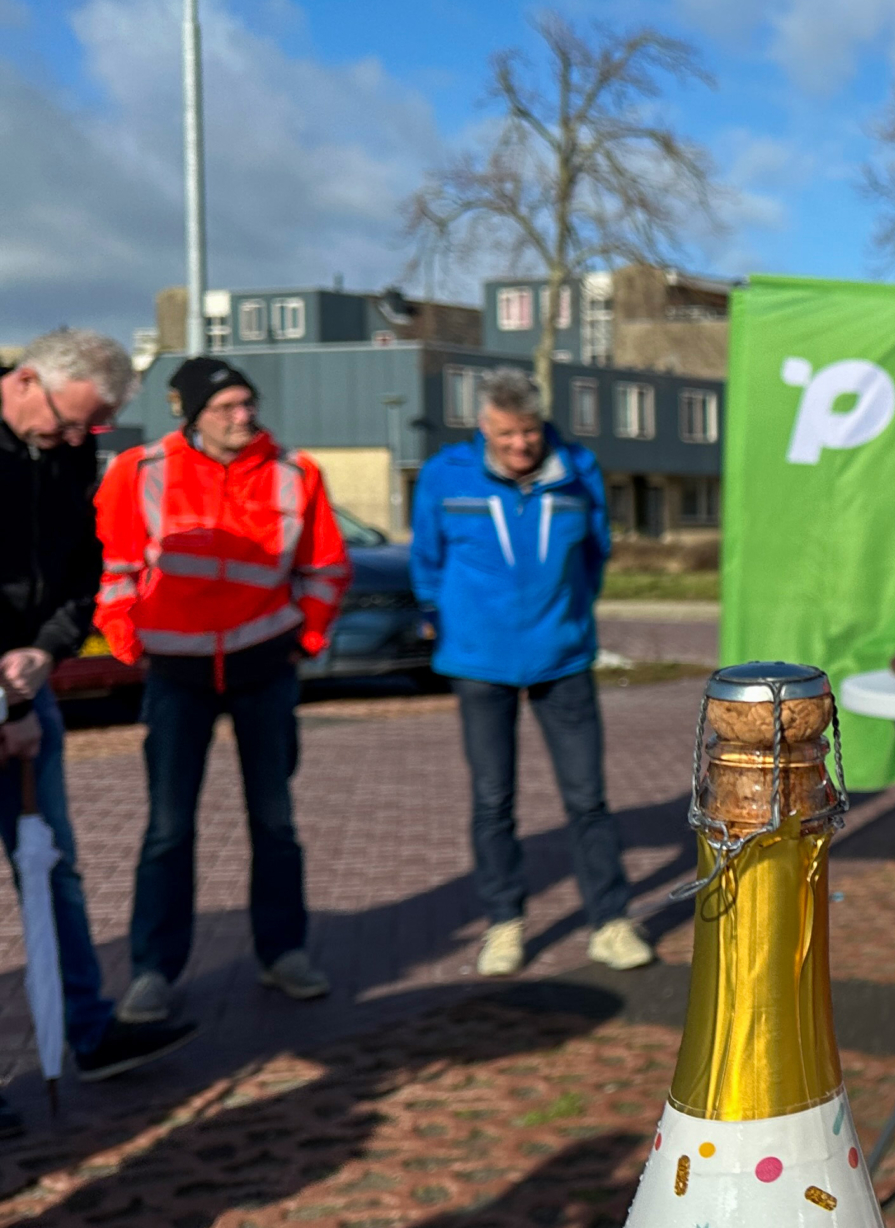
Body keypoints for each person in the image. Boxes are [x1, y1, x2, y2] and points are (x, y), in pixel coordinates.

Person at [95, 357, 351, 1023]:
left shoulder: (298, 473)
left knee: (274, 821)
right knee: (168, 827)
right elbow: (115, 568)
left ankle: (284, 952)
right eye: (227, 407)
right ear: (192, 414)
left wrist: (306, 640)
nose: (244, 417)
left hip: (264, 667)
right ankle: (154, 969)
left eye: (249, 403)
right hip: (176, 675)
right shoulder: (140, 471)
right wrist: (128, 644)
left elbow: (325, 567)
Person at [0, 330, 201, 1125]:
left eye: (92, 427)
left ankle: (86, 1030)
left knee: (52, 865)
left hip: (26, 681)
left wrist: (44, 653)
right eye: (69, 421)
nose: (76, 439)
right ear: (23, 382)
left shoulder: (65, 452)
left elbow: (84, 568)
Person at [410, 368, 652, 976]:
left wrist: (569, 613)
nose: (522, 446)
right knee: (493, 800)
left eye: (531, 432)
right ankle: (503, 924)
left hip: (562, 657)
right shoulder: (446, 475)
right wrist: (445, 616)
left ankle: (611, 923)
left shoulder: (578, 469)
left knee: (588, 797)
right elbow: (427, 560)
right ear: (483, 427)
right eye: (507, 434)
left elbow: (596, 554)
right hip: (478, 662)